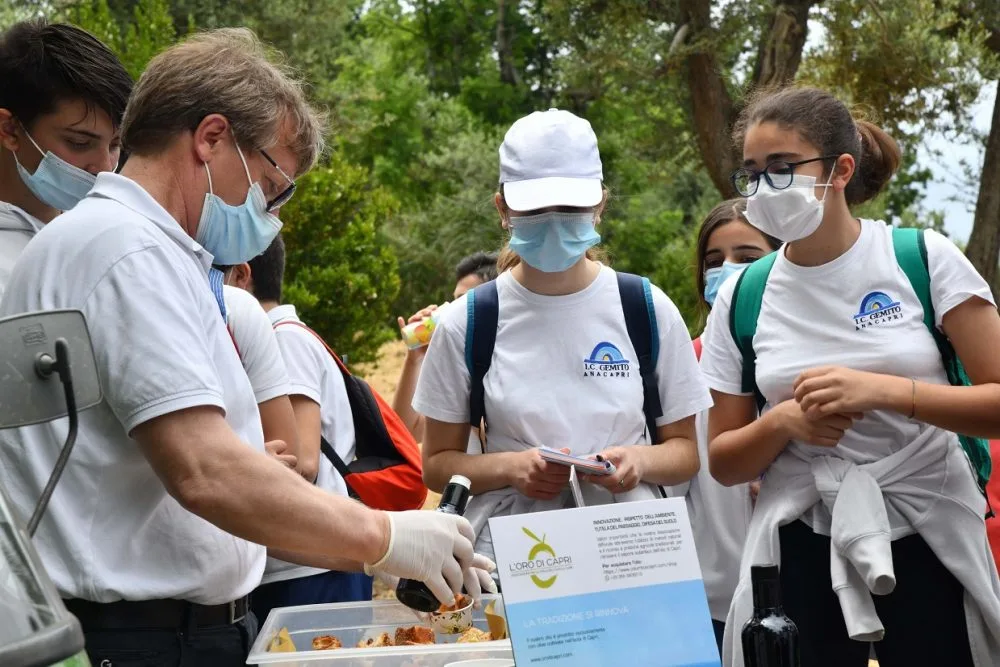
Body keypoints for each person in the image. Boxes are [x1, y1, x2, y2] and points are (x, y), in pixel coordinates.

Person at [0, 29, 492, 667]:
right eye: (271, 185)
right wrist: (385, 534)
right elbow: (206, 471)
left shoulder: (149, 252)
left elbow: (219, 469)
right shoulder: (129, 250)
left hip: (168, 628)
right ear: (209, 140)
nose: (270, 216)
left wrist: (376, 549)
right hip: (142, 636)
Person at [701, 86, 1000, 666]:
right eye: (752, 172)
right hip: (800, 540)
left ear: (840, 170)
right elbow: (726, 460)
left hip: (928, 531)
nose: (764, 188)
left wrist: (888, 392)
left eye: (783, 168)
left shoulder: (921, 257)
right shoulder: (743, 292)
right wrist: (784, 422)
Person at [412, 108, 712, 566]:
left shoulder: (646, 308)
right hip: (522, 555)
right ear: (502, 209)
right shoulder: (469, 321)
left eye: (570, 207)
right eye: (534, 209)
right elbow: (436, 464)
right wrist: (511, 469)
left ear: (600, 204)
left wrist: (638, 462)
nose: (553, 220)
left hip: (632, 547)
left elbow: (686, 451)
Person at [229, 236, 383, 622]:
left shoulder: (282, 340)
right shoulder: (288, 335)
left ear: (242, 275)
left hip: (310, 569)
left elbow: (303, 460)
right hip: (313, 561)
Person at [676, 198, 779, 652]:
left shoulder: (806, 366)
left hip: (805, 593)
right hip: (708, 605)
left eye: (748, 258)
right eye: (714, 261)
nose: (729, 270)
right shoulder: (680, 365)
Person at [0, 20, 131, 299]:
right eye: (79, 142)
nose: (105, 169)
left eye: (115, 144)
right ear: (10, 129)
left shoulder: (119, 242)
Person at [393, 250, 499, 448]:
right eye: (455, 300)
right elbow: (407, 431)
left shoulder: (506, 362)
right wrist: (415, 359)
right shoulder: (458, 366)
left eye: (466, 300)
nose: (456, 309)